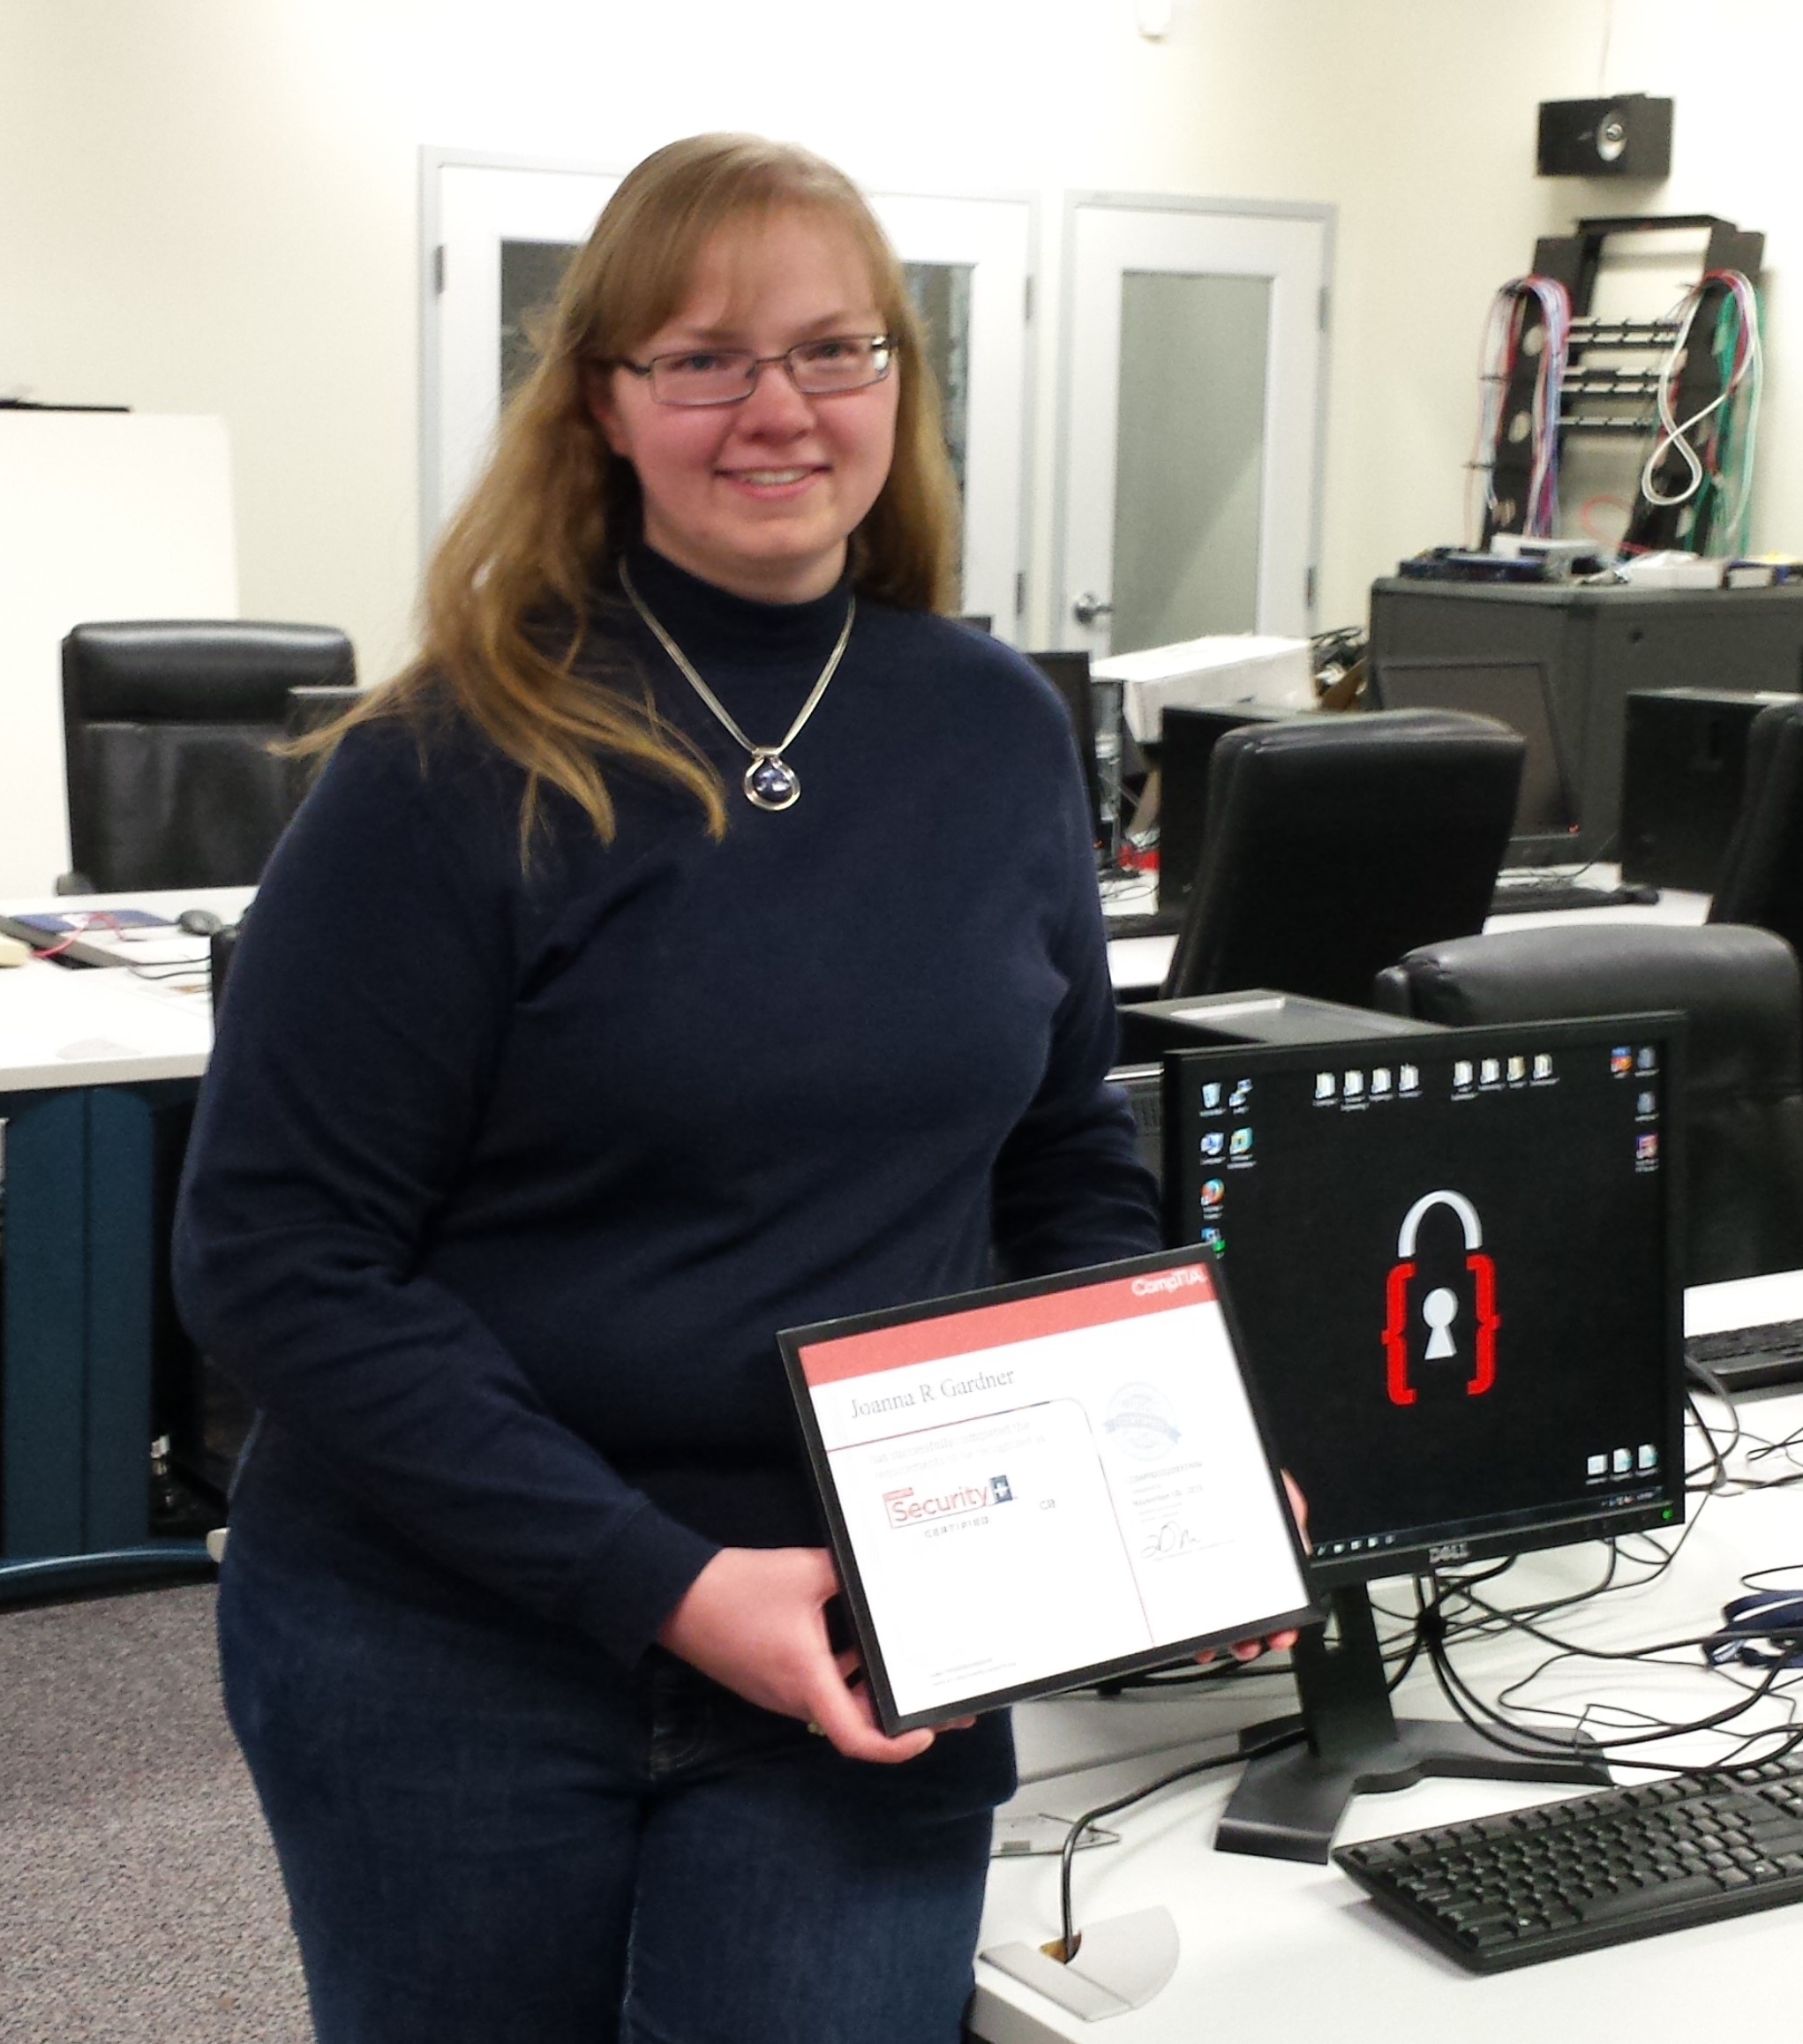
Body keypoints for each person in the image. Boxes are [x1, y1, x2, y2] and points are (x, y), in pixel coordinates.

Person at [176, 133, 1210, 2042]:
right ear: (605, 403)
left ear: (901, 380)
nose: (778, 409)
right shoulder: (445, 764)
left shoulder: (992, 730)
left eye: (834, 352)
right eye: (703, 359)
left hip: (878, 1611)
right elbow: (279, 1256)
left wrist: (1168, 1448)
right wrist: (657, 1581)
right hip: (451, 1629)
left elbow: (1065, 1155)